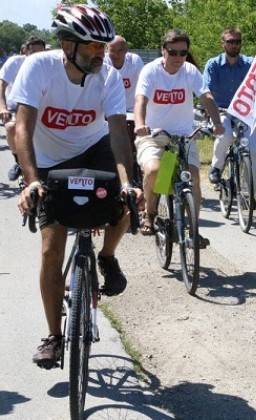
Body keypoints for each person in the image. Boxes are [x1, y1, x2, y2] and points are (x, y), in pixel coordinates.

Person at [10, 4, 142, 368]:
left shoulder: (107, 75)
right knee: (52, 247)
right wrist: (31, 180)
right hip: (50, 160)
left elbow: (117, 131)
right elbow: (22, 129)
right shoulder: (39, 68)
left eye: (103, 46)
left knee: (126, 203)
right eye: (92, 47)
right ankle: (53, 335)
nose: (100, 54)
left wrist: (129, 182)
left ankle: (108, 256)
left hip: (94, 149)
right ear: (68, 44)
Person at [134, 29, 223, 239]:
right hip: (155, 135)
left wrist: (217, 123)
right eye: (173, 52)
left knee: (192, 177)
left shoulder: (189, 71)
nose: (178, 57)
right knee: (156, 170)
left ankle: (192, 228)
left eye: (183, 53)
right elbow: (141, 101)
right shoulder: (151, 71)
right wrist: (140, 124)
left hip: (183, 136)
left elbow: (206, 96)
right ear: (163, 50)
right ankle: (150, 213)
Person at [203, 27, 256, 184]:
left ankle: (250, 189)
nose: (234, 45)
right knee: (226, 134)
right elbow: (206, 91)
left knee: (254, 148)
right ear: (223, 44)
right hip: (222, 110)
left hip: (244, 113)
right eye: (230, 42)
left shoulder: (250, 64)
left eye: (237, 42)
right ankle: (216, 167)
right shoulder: (213, 64)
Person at [0, 36, 46, 180]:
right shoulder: (14, 62)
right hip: (15, 107)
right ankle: (19, 162)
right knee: (11, 128)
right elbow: (1, 85)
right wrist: (2, 107)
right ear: (25, 51)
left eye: (39, 53)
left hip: (40, 107)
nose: (35, 56)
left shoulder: (48, 65)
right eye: (32, 52)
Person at [105, 35, 144, 112]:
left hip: (131, 110)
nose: (116, 54)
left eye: (120, 50)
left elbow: (144, 85)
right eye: (112, 51)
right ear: (107, 50)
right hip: (109, 111)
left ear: (126, 50)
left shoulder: (135, 61)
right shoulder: (103, 63)